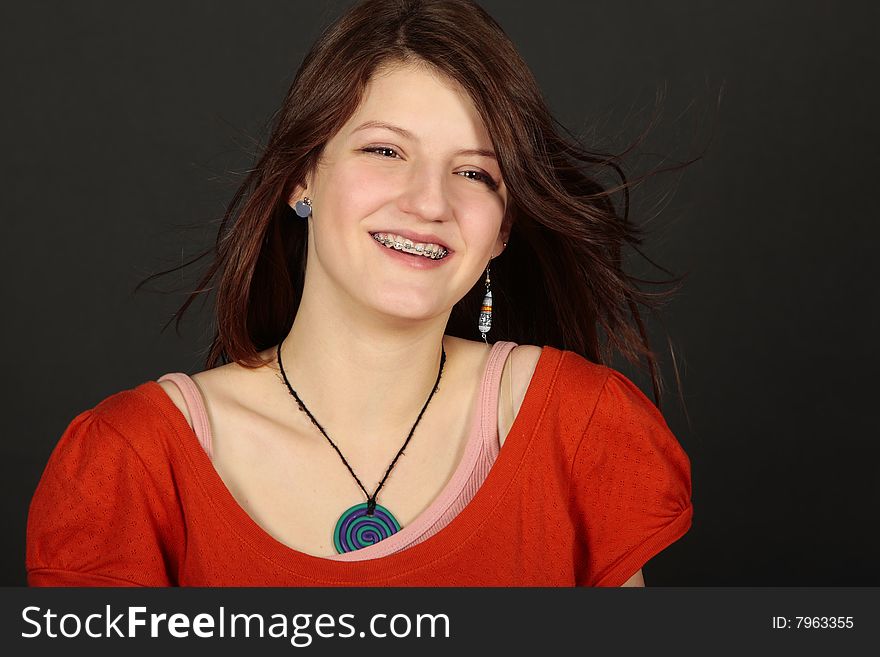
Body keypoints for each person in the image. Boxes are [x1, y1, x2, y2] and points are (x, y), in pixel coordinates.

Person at [26, 0, 692, 587]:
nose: (430, 201)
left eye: (473, 172)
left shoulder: (578, 428)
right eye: (385, 151)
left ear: (503, 228)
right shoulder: (129, 462)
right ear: (302, 176)